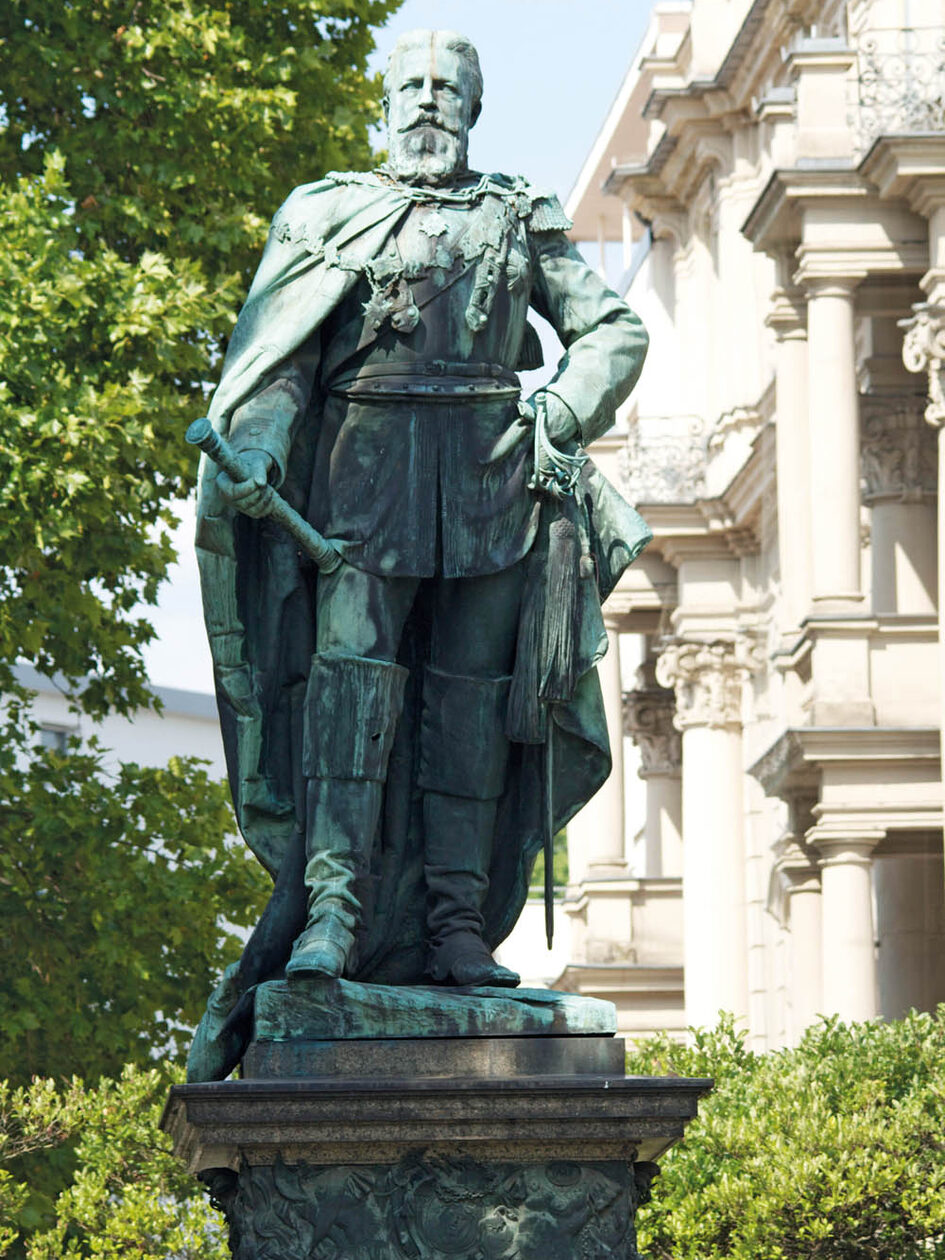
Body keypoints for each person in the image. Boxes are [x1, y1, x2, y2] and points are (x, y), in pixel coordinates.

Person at [192, 27, 649, 1047]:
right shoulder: (325, 214)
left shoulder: (516, 214)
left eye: (449, 87)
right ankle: (331, 917)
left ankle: (455, 929)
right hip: (360, 480)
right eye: (412, 85)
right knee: (350, 699)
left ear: (475, 108)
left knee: (469, 712)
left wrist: (562, 416)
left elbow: (613, 330)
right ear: (386, 102)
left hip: (491, 486)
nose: (430, 102)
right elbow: (278, 372)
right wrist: (261, 451)